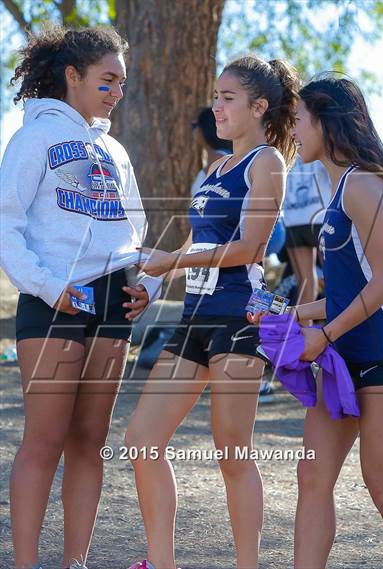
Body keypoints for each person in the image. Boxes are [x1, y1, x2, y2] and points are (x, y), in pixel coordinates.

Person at [124, 55, 299, 569]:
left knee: (232, 454)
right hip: (194, 320)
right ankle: (161, 562)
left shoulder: (267, 162)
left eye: (227, 98)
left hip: (237, 321)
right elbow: (200, 244)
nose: (216, 107)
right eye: (216, 96)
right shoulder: (216, 166)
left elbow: (249, 249)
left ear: (259, 106)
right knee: (142, 440)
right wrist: (153, 284)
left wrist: (171, 263)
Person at [0, 25, 160, 569]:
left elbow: (138, 229)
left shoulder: (113, 148)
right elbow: (7, 225)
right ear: (72, 76)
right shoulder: (33, 139)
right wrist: (47, 286)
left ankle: (76, 562)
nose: (117, 92)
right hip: (53, 298)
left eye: (121, 82)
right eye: (107, 80)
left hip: (114, 300)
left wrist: (149, 286)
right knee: (44, 439)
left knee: (90, 440)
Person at [249, 75, 383, 568]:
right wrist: (286, 312)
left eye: (299, 119)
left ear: (326, 120)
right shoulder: (341, 187)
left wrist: (321, 335)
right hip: (343, 358)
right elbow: (347, 293)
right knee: (312, 477)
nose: (294, 131)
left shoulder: (362, 184)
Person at [283, 156, 330, 324]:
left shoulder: (283, 144)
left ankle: (303, 339)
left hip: (293, 219)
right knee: (335, 283)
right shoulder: (316, 136)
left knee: (305, 286)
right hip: (319, 217)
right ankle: (337, 339)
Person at [190, 106, 232, 196]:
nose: (192, 131)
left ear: (204, 128)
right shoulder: (225, 156)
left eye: (194, 125)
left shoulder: (219, 160)